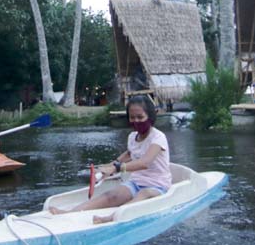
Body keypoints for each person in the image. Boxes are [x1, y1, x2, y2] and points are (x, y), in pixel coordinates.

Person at [49, 95, 171, 224]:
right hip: (136, 183)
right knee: (111, 196)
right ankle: (70, 212)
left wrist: (117, 168)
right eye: (132, 117)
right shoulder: (132, 136)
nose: (136, 121)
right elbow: (130, 153)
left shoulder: (158, 137)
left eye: (140, 117)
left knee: (144, 194)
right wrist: (107, 168)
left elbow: (144, 162)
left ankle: (111, 218)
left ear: (150, 117)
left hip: (158, 186)